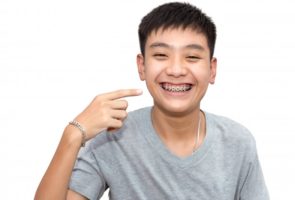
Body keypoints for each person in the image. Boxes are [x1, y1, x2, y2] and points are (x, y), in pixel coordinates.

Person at [35, 2, 269, 200]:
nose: (176, 69)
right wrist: (73, 134)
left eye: (192, 57)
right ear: (142, 66)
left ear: (212, 69)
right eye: (160, 55)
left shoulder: (238, 142)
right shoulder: (113, 137)